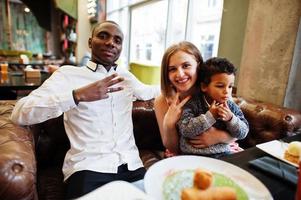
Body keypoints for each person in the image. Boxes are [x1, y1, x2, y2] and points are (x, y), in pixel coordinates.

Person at [10, 21, 159, 199]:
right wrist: (76, 95)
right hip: (88, 168)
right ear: (90, 42)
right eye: (103, 36)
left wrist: (184, 80)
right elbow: (20, 112)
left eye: (117, 40)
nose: (111, 42)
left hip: (132, 167)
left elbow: (151, 91)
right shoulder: (67, 75)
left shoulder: (126, 78)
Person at [154, 41, 236, 156]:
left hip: (220, 152)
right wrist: (169, 124)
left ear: (198, 65)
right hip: (188, 155)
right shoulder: (161, 102)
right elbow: (173, 148)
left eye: (186, 65)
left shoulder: (216, 92)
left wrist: (218, 136)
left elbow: (238, 131)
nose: (180, 74)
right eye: (172, 69)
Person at [177, 57, 249, 157]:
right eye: (220, 86)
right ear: (204, 86)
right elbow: (185, 130)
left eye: (230, 86)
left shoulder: (231, 107)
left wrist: (231, 119)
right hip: (192, 154)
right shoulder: (193, 104)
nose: (226, 91)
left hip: (223, 154)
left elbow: (243, 133)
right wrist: (209, 116)